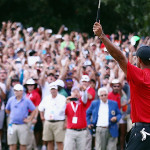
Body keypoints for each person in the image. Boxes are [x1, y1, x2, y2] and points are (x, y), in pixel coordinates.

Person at [93, 21, 150, 149]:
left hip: (144, 131)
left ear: (139, 60)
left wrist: (101, 35)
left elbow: (119, 57)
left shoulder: (141, 75)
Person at [5, 84, 36, 150]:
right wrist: (13, 115)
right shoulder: (11, 99)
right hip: (12, 124)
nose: (16, 92)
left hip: (23, 125)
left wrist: (30, 119)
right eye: (15, 90)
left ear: (22, 91)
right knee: (12, 144)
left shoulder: (26, 100)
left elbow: (34, 110)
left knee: (23, 144)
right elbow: (7, 109)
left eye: (18, 91)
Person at [38, 82, 66, 150]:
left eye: (54, 89)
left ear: (57, 90)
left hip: (59, 122)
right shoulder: (46, 98)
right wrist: (42, 116)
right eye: (52, 89)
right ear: (50, 90)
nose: (53, 91)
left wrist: (66, 122)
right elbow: (40, 108)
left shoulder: (62, 98)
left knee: (59, 141)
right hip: (48, 122)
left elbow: (66, 111)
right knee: (49, 141)